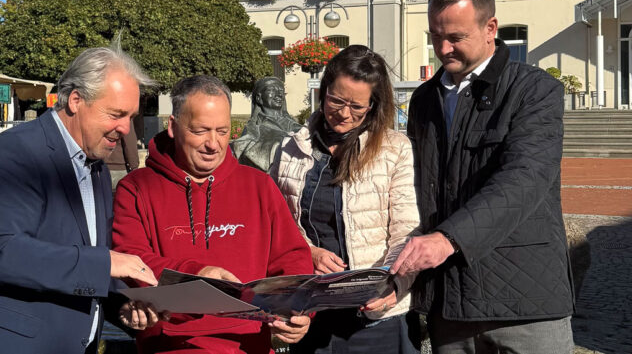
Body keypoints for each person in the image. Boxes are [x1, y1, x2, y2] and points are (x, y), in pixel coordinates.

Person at [0, 45, 163, 354]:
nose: (126, 129)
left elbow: (85, 260)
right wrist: (106, 263)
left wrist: (121, 303)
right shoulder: (13, 154)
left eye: (130, 116)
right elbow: (1, 253)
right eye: (116, 114)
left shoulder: (97, 168)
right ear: (76, 100)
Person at [391, 0, 575, 353]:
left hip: (525, 305)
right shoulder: (425, 99)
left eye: (455, 37)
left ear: (490, 27)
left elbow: (524, 180)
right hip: (450, 308)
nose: (442, 49)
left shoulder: (534, 89)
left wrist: (448, 239)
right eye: (435, 37)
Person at [112, 75, 314, 353]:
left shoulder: (260, 185)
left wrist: (299, 311)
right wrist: (199, 276)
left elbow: (293, 258)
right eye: (200, 131)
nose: (213, 144)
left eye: (222, 131)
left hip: (248, 344)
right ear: (172, 126)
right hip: (172, 344)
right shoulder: (136, 188)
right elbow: (130, 259)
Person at [270, 45, 422, 354]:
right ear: (324, 90)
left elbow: (407, 230)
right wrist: (308, 251)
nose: (343, 113)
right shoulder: (289, 149)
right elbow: (276, 223)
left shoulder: (394, 149)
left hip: (376, 315)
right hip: (311, 313)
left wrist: (396, 284)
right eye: (336, 100)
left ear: (373, 106)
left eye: (357, 106)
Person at [232, 77, 302, 171]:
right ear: (259, 98)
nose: (279, 95)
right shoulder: (254, 127)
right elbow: (243, 150)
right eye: (271, 90)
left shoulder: (298, 127)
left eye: (281, 91)